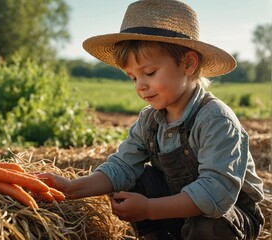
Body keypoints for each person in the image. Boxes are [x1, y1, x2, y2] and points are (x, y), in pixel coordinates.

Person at [39, 0, 265, 239]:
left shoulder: (216, 120)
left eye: (149, 73)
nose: (140, 86)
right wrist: (73, 187)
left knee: (208, 223)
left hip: (228, 217)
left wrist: (148, 209)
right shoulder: (150, 121)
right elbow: (121, 166)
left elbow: (214, 194)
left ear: (188, 63)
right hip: (174, 211)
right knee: (134, 178)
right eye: (132, 77)